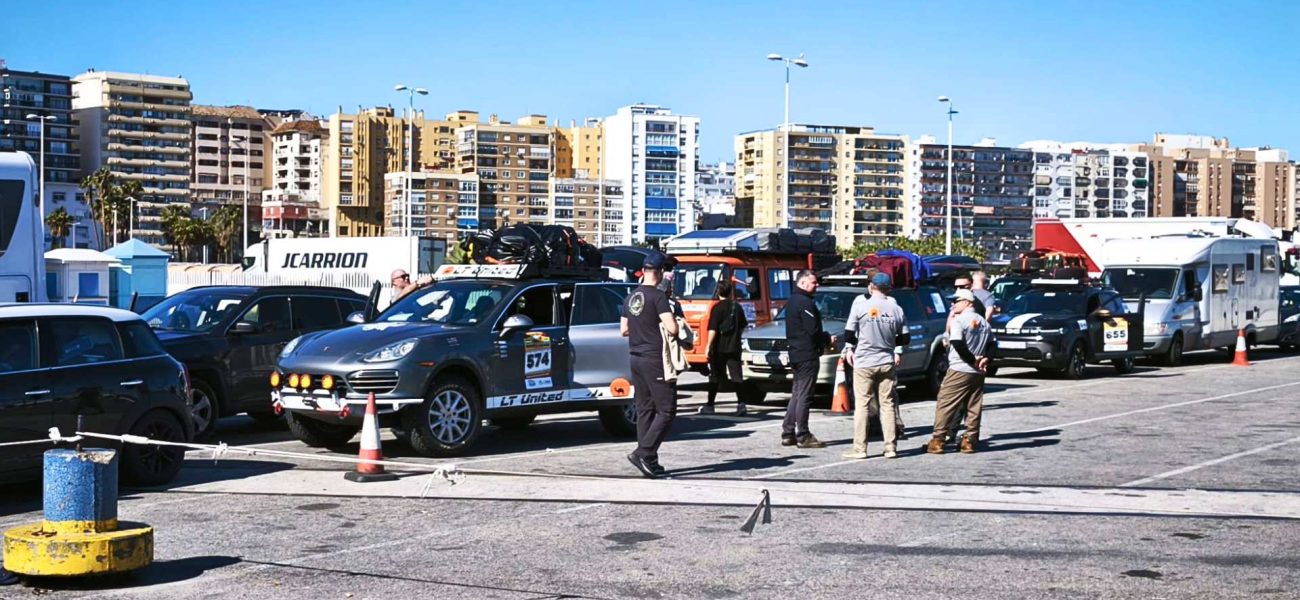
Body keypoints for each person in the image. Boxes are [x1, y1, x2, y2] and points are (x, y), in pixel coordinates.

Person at [621, 252, 680, 478]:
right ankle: (643, 452)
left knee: (645, 409)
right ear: (660, 272)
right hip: (654, 358)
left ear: (644, 271)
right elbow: (672, 328)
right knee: (666, 409)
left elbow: (623, 330)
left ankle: (650, 460)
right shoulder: (658, 297)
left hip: (635, 356)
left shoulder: (631, 296)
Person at [841, 272, 909, 459]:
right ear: (888, 288)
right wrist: (891, 345)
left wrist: (853, 347)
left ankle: (860, 448)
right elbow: (904, 338)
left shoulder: (860, 306)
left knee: (862, 405)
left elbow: (848, 335)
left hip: (864, 361)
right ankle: (890, 448)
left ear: (872, 286)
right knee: (887, 405)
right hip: (886, 361)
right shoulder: (896, 309)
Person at [928, 289, 993, 455]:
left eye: (956, 301)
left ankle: (938, 440)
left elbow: (957, 342)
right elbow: (993, 344)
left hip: (959, 368)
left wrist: (972, 361)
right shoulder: (984, 322)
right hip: (978, 372)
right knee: (973, 406)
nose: (952, 304)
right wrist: (986, 359)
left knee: (945, 403)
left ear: (967, 302)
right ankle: (969, 440)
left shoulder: (959, 320)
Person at [782, 270, 834, 449]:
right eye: (813, 282)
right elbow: (812, 330)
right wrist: (827, 339)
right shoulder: (804, 302)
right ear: (803, 283)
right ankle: (803, 434)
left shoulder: (793, 301)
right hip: (806, 355)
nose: (816, 285)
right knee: (804, 395)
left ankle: (788, 432)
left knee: (797, 393)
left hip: (796, 353)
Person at [702, 280, 749, 416]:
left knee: (715, 376)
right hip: (734, 347)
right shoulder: (737, 307)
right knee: (737, 376)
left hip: (719, 348)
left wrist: (708, 346)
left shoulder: (717, 308)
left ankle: (710, 405)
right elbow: (743, 325)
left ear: (718, 292)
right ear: (730, 292)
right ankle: (741, 404)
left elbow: (713, 329)